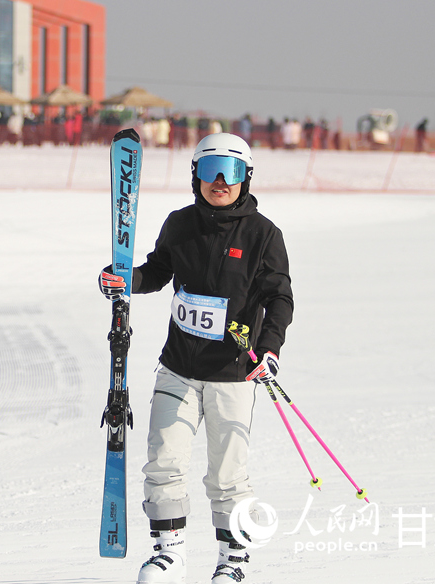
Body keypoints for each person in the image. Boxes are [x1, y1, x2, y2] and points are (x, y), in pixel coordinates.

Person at [98, 133, 294, 584]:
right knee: (163, 460)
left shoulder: (264, 235)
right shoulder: (180, 224)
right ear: (196, 177)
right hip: (179, 368)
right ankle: (170, 554)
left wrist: (269, 348)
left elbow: (278, 298)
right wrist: (126, 280)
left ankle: (233, 561)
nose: (219, 181)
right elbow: (158, 271)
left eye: (230, 172)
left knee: (228, 475)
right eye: (209, 171)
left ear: (246, 178)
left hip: (232, 374)